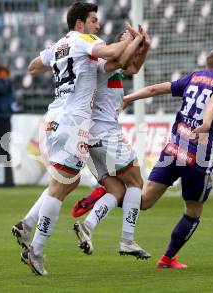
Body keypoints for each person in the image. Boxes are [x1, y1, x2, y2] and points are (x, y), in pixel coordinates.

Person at [11, 1, 137, 276]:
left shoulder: (59, 45)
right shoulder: (83, 40)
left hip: (54, 118)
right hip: (74, 122)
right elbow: (114, 52)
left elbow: (33, 66)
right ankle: (36, 250)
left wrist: (55, 62)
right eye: (93, 20)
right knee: (60, 187)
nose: (98, 25)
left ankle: (27, 225)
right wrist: (133, 40)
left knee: (67, 181)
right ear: (80, 23)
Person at [81, 48, 213, 269]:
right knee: (193, 211)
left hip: (172, 150)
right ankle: (168, 258)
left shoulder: (194, 77)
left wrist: (129, 98)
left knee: (142, 201)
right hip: (197, 157)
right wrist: (207, 122)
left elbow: (157, 88)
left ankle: (112, 194)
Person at [72, 25, 151, 259]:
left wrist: (143, 45)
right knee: (136, 181)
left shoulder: (113, 67)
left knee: (116, 189)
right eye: (128, 39)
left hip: (90, 137)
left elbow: (133, 67)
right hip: (103, 132)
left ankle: (87, 226)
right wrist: (136, 41)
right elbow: (123, 60)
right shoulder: (101, 64)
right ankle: (127, 240)